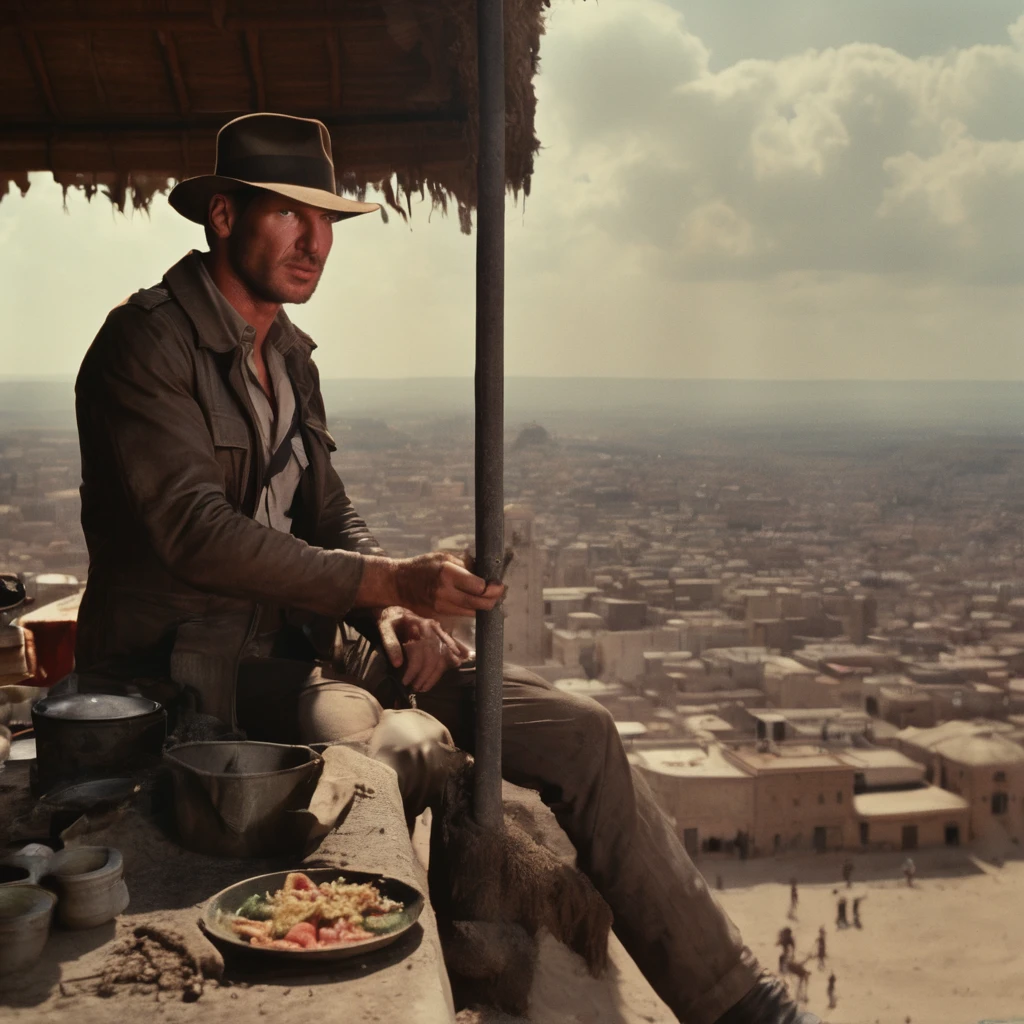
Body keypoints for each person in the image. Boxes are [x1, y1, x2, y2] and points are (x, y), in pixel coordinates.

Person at [72, 112, 820, 1024]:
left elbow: (329, 512)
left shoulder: (289, 359)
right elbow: (196, 532)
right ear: (223, 216)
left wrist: (392, 616)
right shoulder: (146, 346)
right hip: (199, 672)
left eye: (328, 224)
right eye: (289, 216)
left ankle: (743, 1007)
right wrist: (386, 584)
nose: (315, 243)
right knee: (398, 745)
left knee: (581, 734)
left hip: (316, 640)